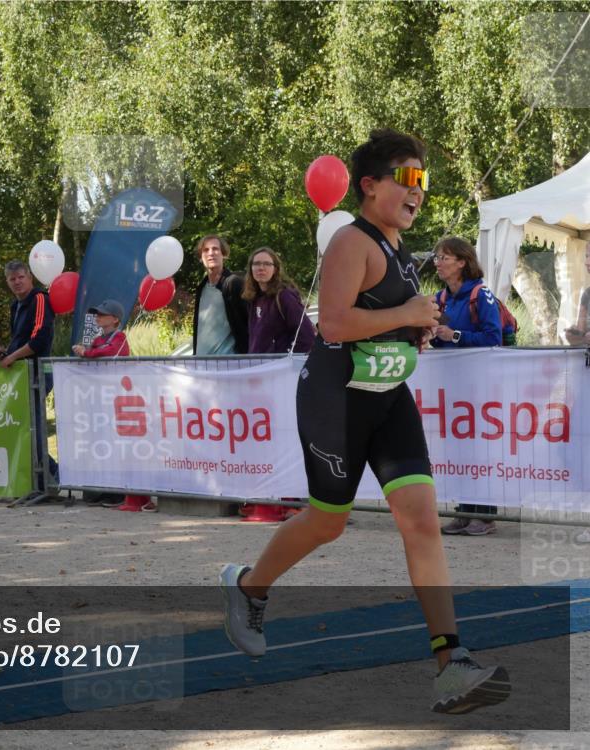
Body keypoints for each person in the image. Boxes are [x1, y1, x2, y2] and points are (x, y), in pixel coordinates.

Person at [219, 129, 509, 715]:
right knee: (329, 523)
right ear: (370, 185)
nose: (419, 190)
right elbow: (333, 326)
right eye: (407, 177)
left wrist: (413, 333)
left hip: (388, 398)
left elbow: (380, 321)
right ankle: (249, 586)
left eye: (423, 179)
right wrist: (405, 313)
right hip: (335, 400)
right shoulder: (353, 241)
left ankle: (451, 664)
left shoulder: (399, 247)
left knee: (422, 520)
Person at [430, 237, 503, 537]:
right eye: (436, 257)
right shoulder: (440, 297)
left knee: (478, 448)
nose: (438, 262)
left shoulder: (480, 293)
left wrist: (455, 336)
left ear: (462, 262)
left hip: (479, 385)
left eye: (444, 257)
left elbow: (493, 336)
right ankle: (464, 511)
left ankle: (484, 516)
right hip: (453, 384)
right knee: (458, 447)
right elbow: (439, 339)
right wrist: (433, 334)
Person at [239, 248, 316, 522]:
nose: (260, 268)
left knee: (285, 437)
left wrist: (287, 364)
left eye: (266, 264)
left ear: (275, 267)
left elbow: (307, 335)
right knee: (267, 438)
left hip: (280, 378)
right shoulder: (253, 299)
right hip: (260, 378)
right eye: (256, 264)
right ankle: (274, 494)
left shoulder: (284, 297)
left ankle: (292, 498)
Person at [73, 300, 154, 512]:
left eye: (103, 314)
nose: (98, 317)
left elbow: (110, 352)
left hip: (118, 400)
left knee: (123, 446)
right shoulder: (98, 338)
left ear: (115, 319)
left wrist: (86, 352)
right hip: (101, 400)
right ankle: (109, 488)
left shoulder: (119, 337)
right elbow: (96, 350)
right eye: (97, 313)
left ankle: (127, 493)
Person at [1, 259, 57, 491]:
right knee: (23, 427)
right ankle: (40, 478)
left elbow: (39, 340)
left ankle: (52, 476)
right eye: (12, 279)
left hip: (37, 371)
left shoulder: (40, 299)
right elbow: (17, 341)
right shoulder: (15, 306)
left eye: (20, 277)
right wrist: (1, 353)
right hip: (20, 373)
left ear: (30, 277)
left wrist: (13, 357)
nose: (17, 283)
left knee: (33, 427)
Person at [191, 235, 249, 355]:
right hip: (202, 364)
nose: (211, 253)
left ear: (223, 254)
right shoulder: (201, 288)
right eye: (206, 250)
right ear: (201, 257)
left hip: (227, 365)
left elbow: (249, 323)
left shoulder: (233, 283)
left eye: (215, 249)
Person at [564, 245, 590, 346]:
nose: (586, 262)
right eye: (586, 256)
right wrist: (573, 337)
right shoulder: (587, 294)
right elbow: (581, 335)